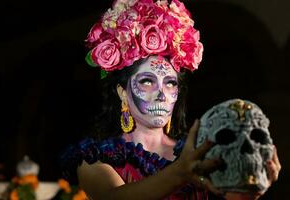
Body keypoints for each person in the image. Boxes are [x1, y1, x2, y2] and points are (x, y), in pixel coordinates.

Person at [60, 0, 281, 199]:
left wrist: (252, 188)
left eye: (170, 83)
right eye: (147, 81)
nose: (161, 93)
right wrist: (180, 173)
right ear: (122, 92)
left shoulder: (199, 151)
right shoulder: (97, 157)